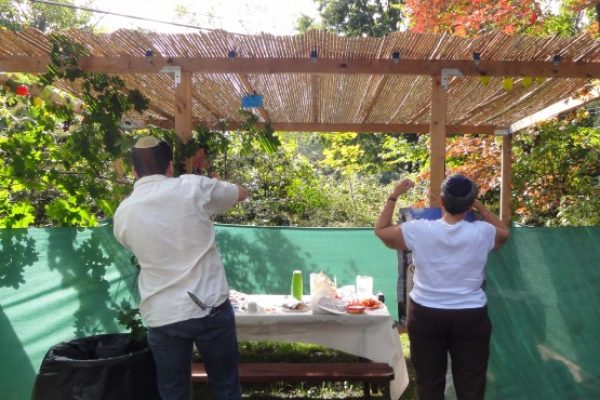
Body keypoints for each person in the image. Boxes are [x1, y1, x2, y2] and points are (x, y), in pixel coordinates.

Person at [113, 136, 249, 400]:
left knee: (173, 392)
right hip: (209, 306)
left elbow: (139, 248)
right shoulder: (193, 187)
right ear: (170, 167)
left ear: (133, 171)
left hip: (163, 313)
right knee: (226, 387)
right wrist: (212, 180)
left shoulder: (123, 213)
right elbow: (242, 192)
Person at [374, 174, 510, 400]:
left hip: (426, 314)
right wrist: (480, 207)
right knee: (471, 384)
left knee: (429, 383)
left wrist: (394, 196)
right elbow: (504, 232)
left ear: (442, 202)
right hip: (471, 316)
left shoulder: (418, 229)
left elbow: (381, 230)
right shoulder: (484, 232)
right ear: (469, 204)